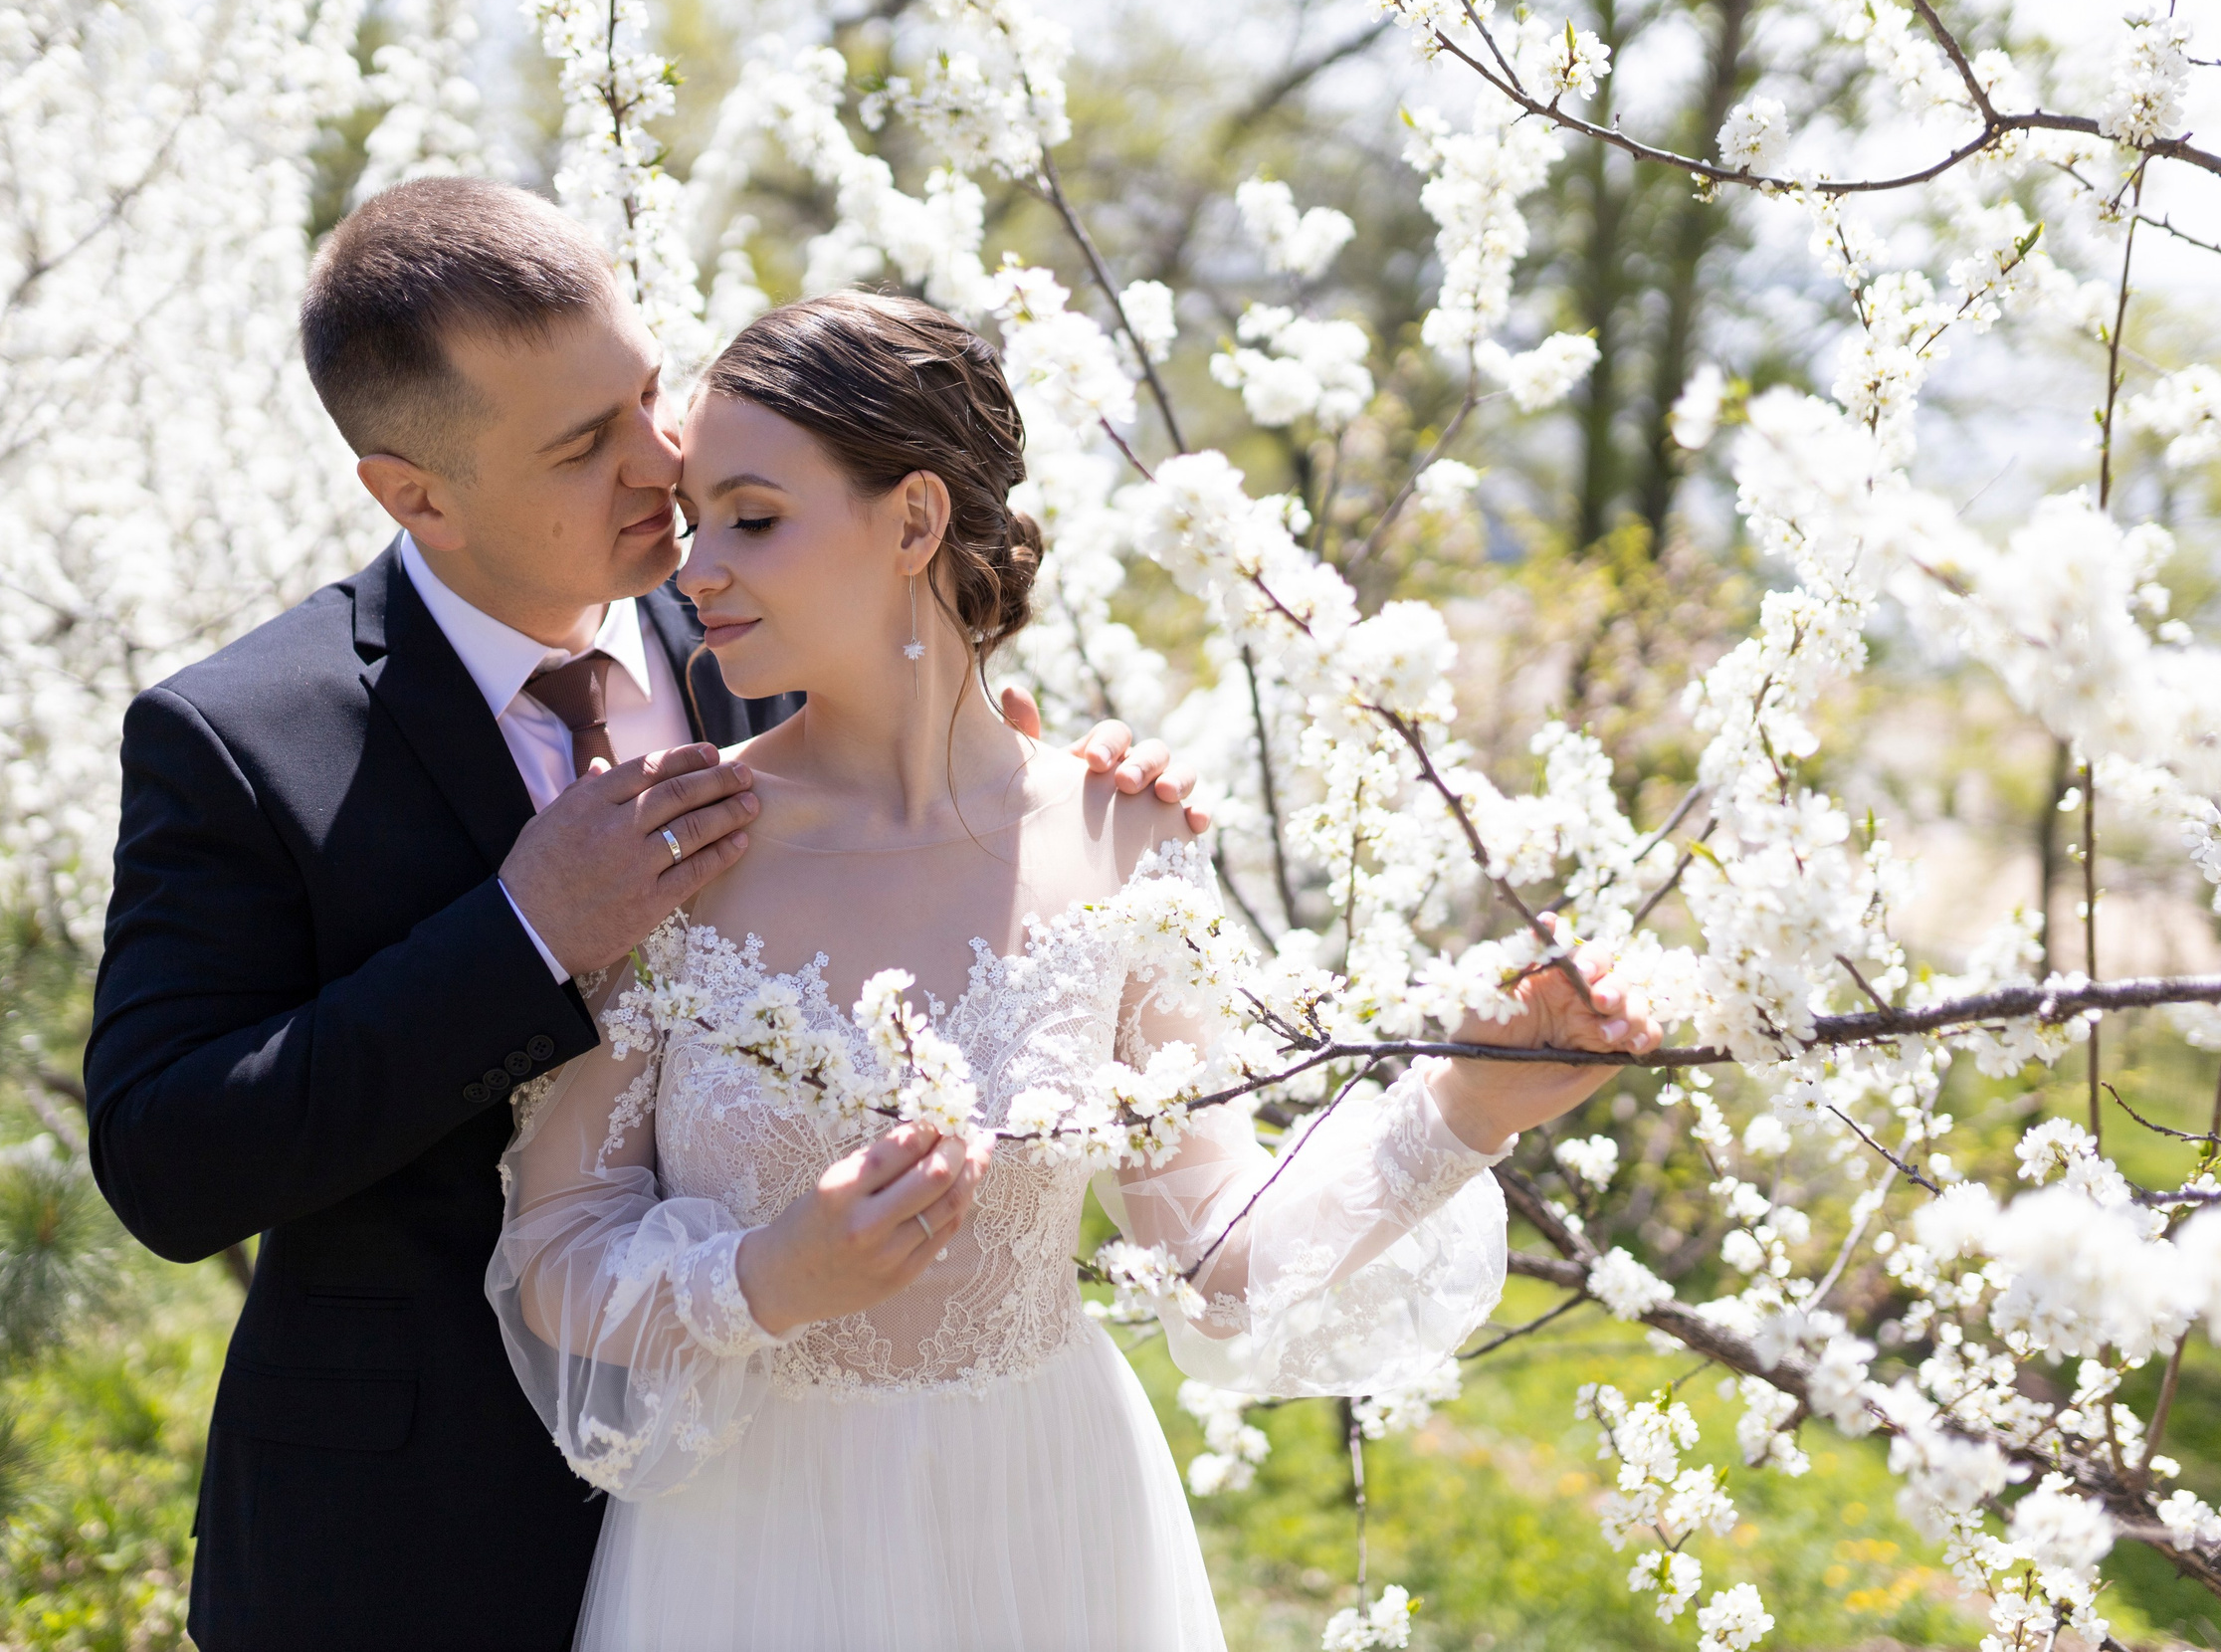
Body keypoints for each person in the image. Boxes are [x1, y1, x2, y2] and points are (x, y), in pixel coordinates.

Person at [82, 179, 1200, 1651]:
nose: (662, 460)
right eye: (581, 442)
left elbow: (939, 803)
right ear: (415, 492)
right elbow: (170, 1158)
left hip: (806, 1536)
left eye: (648, 394)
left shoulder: (757, 616)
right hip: (418, 1543)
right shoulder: (247, 738)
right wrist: (522, 935)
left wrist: (1040, 787)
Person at [486, 292, 1665, 1651]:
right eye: (695, 526)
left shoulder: (1127, 834)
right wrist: (766, 1279)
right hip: (756, 1554)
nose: (696, 572)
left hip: (1049, 1534)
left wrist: (1469, 1103)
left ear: (915, 519)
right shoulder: (675, 851)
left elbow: (1217, 1259)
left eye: (752, 518)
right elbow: (555, 1253)